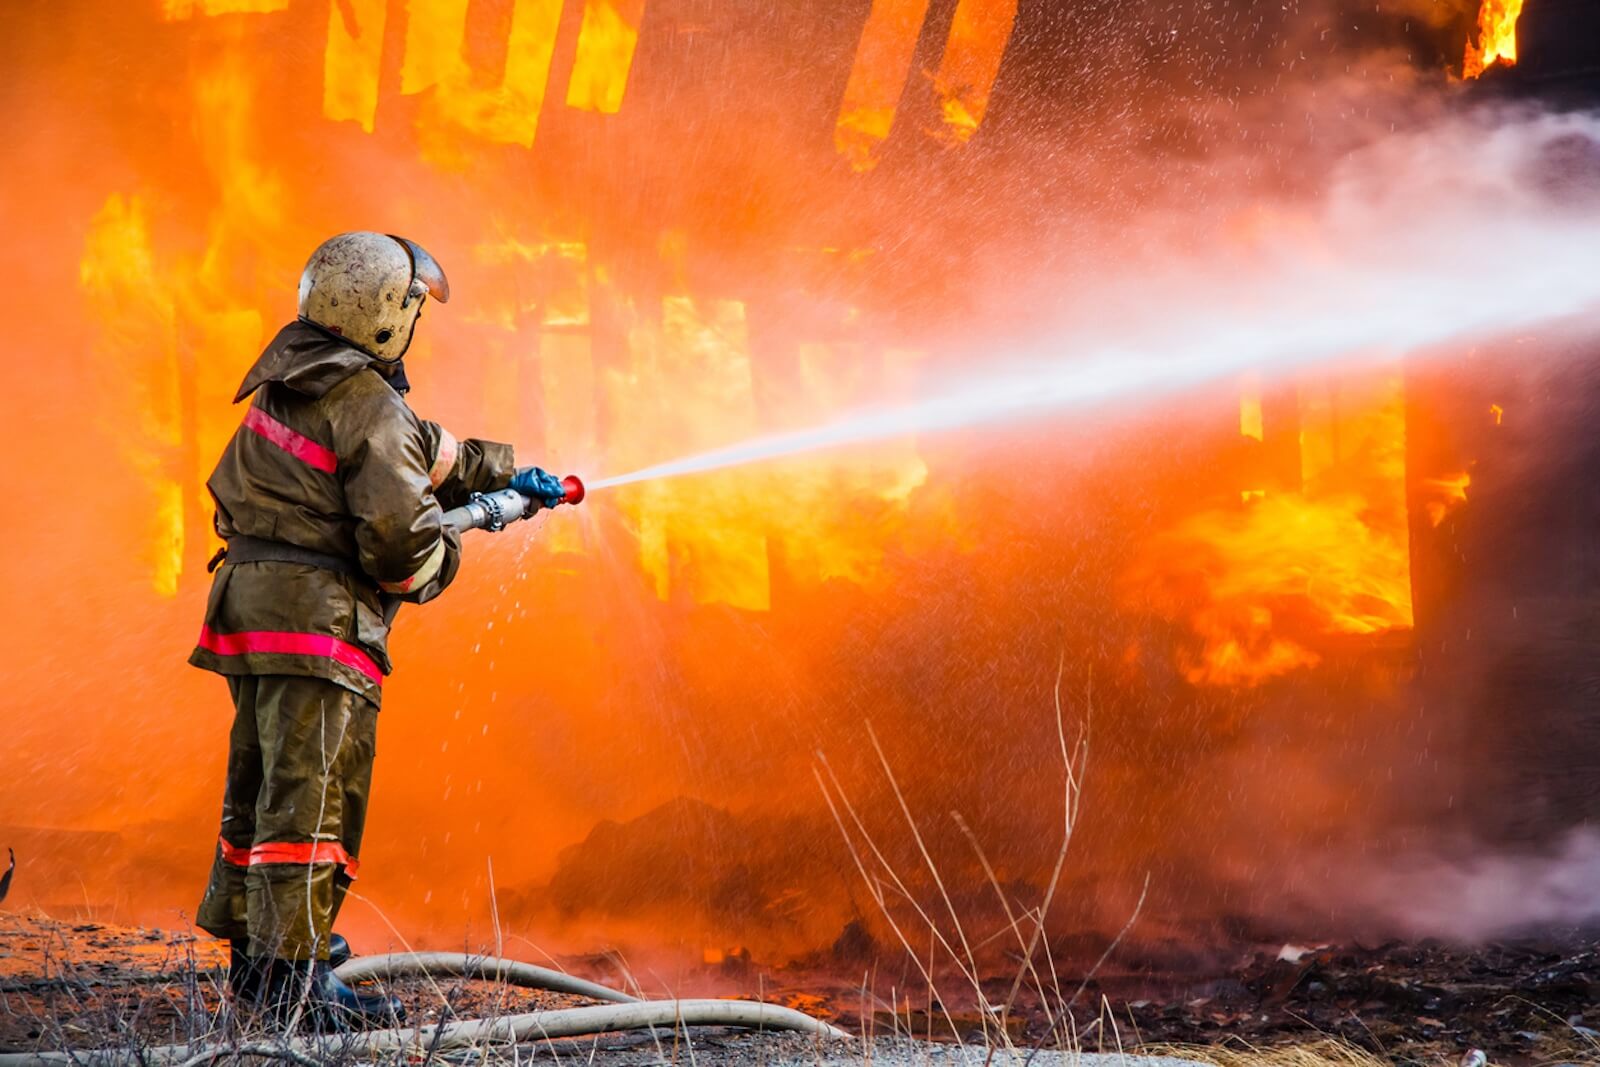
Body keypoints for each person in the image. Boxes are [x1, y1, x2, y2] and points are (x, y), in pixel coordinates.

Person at [189, 232, 566, 1030]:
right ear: (384, 317)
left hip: (252, 611)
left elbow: (418, 451)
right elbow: (402, 547)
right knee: (314, 799)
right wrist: (453, 543)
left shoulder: (294, 380)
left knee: (262, 789)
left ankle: (260, 962)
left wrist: (501, 473)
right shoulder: (364, 401)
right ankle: (295, 986)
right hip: (316, 627)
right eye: (413, 311)